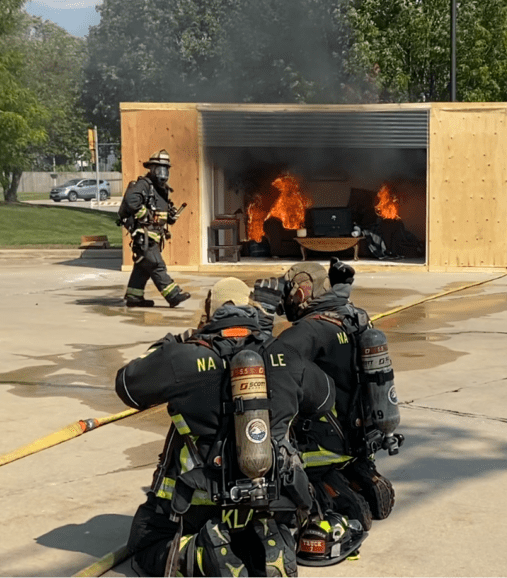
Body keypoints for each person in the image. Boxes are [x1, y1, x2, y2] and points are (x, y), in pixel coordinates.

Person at [116, 277, 341, 576]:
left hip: (199, 502)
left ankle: (204, 556)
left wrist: (167, 346)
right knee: (260, 522)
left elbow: (127, 386)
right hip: (272, 495)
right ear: (250, 306)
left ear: (210, 309)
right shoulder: (284, 353)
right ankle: (268, 541)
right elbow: (325, 397)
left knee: (145, 545)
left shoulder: (182, 356)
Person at [273, 259, 403, 567]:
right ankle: (355, 478)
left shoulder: (309, 331)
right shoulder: (351, 317)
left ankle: (324, 493)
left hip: (321, 440)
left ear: (302, 293)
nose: (285, 300)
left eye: (288, 292)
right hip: (357, 435)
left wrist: (260, 318)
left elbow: (268, 360)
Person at [118, 149, 190, 308]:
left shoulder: (160, 189)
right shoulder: (144, 184)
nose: (162, 173)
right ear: (151, 169)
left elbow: (159, 213)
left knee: (143, 267)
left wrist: (170, 216)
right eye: (159, 168)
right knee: (157, 265)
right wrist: (144, 215)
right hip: (144, 236)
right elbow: (132, 200)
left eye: (165, 169)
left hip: (154, 236)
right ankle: (173, 295)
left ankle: (134, 297)